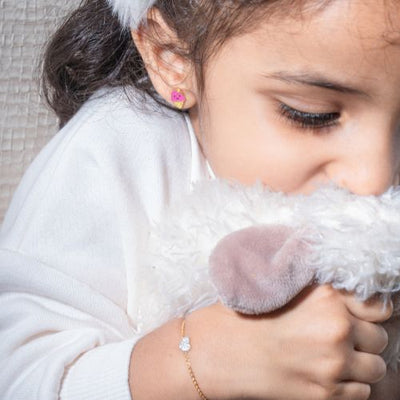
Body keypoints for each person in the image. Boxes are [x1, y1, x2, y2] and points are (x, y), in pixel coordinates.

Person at [0, 0, 399, 399]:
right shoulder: (119, 153)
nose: (375, 179)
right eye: (311, 114)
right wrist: (202, 362)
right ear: (172, 58)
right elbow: (18, 376)